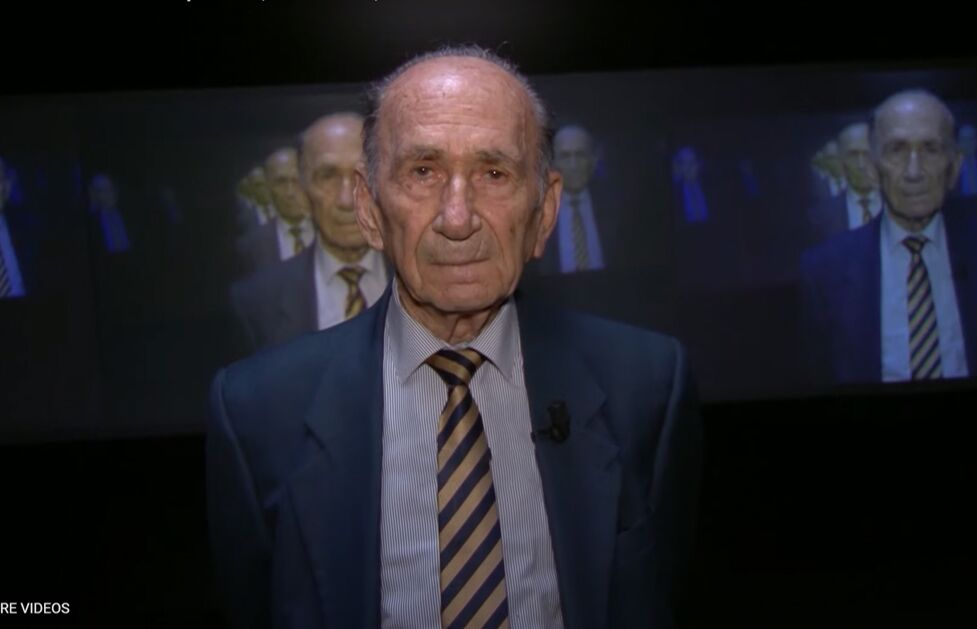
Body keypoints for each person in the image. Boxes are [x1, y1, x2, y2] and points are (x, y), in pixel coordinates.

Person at [208, 45, 702, 629]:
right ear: (369, 210)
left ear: (544, 213)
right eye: (423, 171)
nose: (458, 217)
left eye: (495, 173)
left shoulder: (646, 388)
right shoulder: (258, 413)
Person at [800, 90, 977, 385]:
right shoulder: (823, 270)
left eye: (931, 149)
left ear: (955, 166)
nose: (914, 172)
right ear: (872, 167)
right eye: (896, 150)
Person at [230, 113, 388, 355]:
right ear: (303, 187)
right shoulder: (256, 301)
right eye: (328, 176)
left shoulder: (427, 283)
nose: (347, 200)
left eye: (363, 176)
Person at [538, 124, 607, 274]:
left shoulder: (615, 209)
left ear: (593, 161)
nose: (573, 165)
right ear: (553, 163)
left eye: (580, 155)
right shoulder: (537, 214)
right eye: (565, 156)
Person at [236, 148, 314, 274]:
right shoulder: (251, 246)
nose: (290, 192)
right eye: (281, 182)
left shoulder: (330, 233)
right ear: (268, 187)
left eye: (297, 181)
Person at [807, 122, 883, 242]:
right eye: (853, 155)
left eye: (867, 154)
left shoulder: (899, 207)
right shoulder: (820, 217)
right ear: (841, 159)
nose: (861, 165)